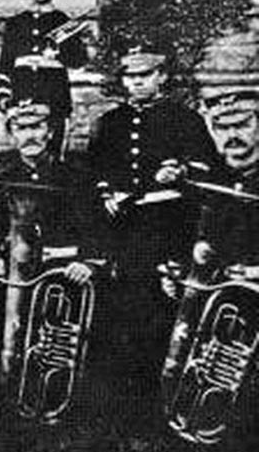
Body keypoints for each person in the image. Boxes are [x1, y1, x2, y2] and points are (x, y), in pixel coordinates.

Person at [87, 46, 216, 406]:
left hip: (168, 228)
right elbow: (93, 170)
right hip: (123, 230)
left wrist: (180, 172)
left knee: (164, 310)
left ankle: (165, 393)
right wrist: (105, 193)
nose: (137, 83)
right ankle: (123, 395)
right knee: (122, 309)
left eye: (145, 76)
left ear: (162, 77)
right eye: (131, 76)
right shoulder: (109, 122)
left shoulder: (184, 119)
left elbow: (208, 168)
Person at [0, 95, 102, 401]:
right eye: (20, 128)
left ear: (50, 131)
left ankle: (55, 398)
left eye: (37, 127)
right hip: (11, 274)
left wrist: (88, 262)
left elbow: (96, 227)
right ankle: (1, 400)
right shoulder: (0, 176)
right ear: (11, 133)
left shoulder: (74, 175)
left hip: (60, 274)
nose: (30, 135)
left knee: (55, 344)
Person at [161, 88, 259, 419]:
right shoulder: (205, 182)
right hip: (215, 316)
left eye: (242, 125)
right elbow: (187, 243)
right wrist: (176, 275)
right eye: (221, 127)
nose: (232, 136)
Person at [0, 0, 90, 149]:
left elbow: (79, 60)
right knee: (24, 154)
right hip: (22, 100)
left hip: (54, 100)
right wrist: (5, 99)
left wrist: (62, 49)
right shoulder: (15, 24)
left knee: (53, 156)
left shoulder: (65, 23)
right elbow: (5, 66)